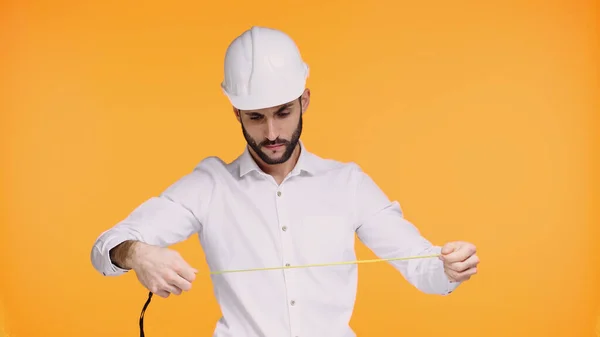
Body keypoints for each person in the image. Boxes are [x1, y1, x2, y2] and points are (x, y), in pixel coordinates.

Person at [90, 26, 479, 337]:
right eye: (255, 117)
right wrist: (138, 255)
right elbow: (105, 247)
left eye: (283, 112)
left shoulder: (348, 184)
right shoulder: (209, 185)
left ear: (304, 101)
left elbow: (420, 265)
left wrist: (447, 267)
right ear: (236, 113)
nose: (272, 132)